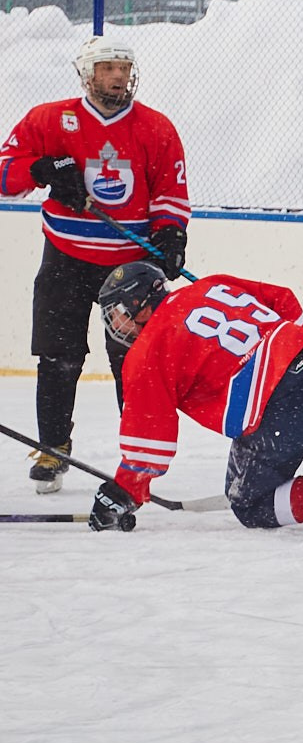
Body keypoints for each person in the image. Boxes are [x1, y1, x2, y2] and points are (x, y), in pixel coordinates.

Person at [85, 262, 303, 533]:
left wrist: (125, 492)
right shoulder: (210, 286)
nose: (118, 325)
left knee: (249, 504)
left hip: (279, 411)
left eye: (119, 313)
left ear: (141, 305)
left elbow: (150, 443)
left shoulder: (147, 351)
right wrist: (294, 363)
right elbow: (283, 299)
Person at [1, 33, 190, 494]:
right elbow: (5, 176)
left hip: (130, 269)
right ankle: (54, 447)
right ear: (88, 75)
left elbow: (171, 192)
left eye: (123, 69)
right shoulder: (49, 119)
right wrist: (43, 170)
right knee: (58, 357)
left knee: (136, 363)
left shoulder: (155, 127)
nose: (118, 78)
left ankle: (137, 455)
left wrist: (170, 233)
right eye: (108, 69)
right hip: (64, 258)